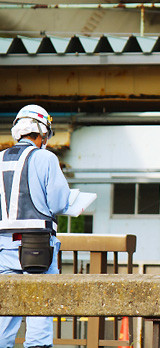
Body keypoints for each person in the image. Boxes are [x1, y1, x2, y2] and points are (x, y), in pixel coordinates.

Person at [0, 104, 70, 348]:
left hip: (2, 247)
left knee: (4, 315)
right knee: (39, 311)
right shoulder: (45, 158)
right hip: (38, 247)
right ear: (41, 133)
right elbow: (60, 203)